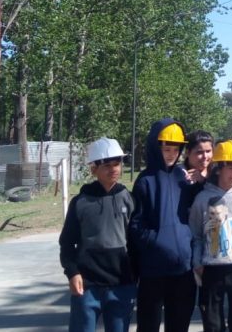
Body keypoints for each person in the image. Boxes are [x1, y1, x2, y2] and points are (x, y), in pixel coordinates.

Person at [59, 137, 136, 332]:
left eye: (117, 163)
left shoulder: (127, 198)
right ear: (93, 169)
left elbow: (135, 241)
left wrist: (136, 274)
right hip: (87, 285)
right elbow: (67, 243)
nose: (114, 169)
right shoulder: (81, 203)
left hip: (120, 283)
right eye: (107, 165)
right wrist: (72, 272)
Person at [130, 119, 196, 332]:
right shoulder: (144, 180)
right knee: (148, 326)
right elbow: (135, 225)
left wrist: (187, 245)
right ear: (155, 147)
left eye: (175, 149)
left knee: (179, 325)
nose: (171, 154)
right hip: (153, 271)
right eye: (166, 148)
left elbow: (190, 218)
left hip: (183, 270)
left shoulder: (182, 178)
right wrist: (156, 243)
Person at [190, 140, 232, 332]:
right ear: (218, 168)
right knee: (212, 323)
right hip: (210, 269)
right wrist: (198, 264)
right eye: (230, 167)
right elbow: (196, 234)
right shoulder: (202, 198)